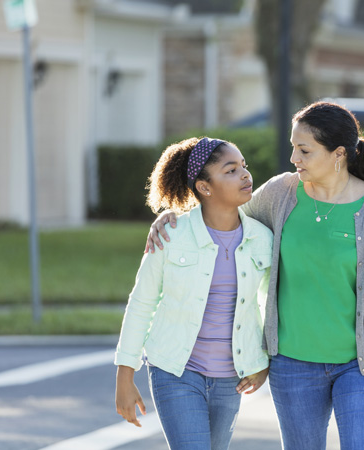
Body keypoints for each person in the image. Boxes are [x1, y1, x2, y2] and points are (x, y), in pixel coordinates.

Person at [147, 101, 364, 450]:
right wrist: (175, 218)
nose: (294, 158)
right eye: (294, 148)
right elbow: (223, 216)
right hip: (293, 366)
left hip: (362, 365)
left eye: (304, 150)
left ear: (338, 154)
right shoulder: (281, 194)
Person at [115, 137, 272, 450]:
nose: (245, 174)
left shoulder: (262, 238)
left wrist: (262, 362)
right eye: (231, 170)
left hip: (231, 378)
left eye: (244, 166)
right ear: (204, 187)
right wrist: (124, 376)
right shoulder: (170, 235)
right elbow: (142, 303)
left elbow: (270, 305)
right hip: (175, 371)